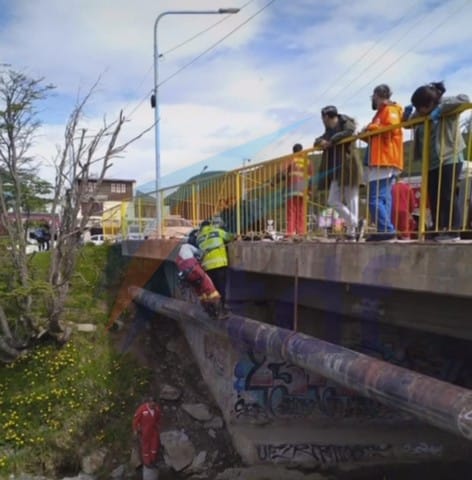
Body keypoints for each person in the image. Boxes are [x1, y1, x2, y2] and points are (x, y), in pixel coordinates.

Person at [408, 81, 469, 242]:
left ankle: (453, 231)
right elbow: (409, 122)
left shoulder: (446, 106)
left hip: (450, 158)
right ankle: (437, 229)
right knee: (434, 197)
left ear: (430, 103)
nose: (419, 111)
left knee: (447, 194)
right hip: (431, 162)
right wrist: (408, 114)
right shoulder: (422, 114)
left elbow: (465, 99)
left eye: (420, 107)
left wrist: (440, 109)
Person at [362, 84, 404, 241]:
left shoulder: (390, 110)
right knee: (383, 198)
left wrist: (370, 128)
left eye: (373, 96)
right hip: (381, 158)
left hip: (384, 159)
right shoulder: (382, 112)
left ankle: (386, 229)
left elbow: (391, 128)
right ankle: (384, 230)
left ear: (377, 95)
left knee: (374, 199)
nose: (372, 99)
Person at [314, 105, 361, 240]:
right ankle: (354, 223)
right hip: (335, 169)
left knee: (351, 198)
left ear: (327, 117)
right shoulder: (328, 131)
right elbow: (317, 141)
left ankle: (352, 232)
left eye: (323, 118)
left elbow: (349, 131)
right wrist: (321, 141)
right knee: (332, 200)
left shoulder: (346, 122)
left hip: (349, 166)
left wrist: (331, 141)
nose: (322, 121)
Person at [175, 229, 223, 318]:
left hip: (187, 276)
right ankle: (219, 311)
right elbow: (200, 253)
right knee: (210, 288)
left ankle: (209, 312)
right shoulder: (188, 246)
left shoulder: (179, 254)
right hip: (194, 270)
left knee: (201, 292)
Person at [196, 219, 233, 308]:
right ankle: (222, 308)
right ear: (210, 225)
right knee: (221, 288)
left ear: (201, 228)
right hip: (219, 264)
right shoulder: (217, 231)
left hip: (207, 267)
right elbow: (230, 237)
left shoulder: (199, 238)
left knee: (212, 290)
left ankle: (214, 310)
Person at [285, 143, 312, 237]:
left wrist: (273, 182)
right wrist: (309, 191)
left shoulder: (290, 159)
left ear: (293, 151)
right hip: (303, 191)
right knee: (301, 212)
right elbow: (310, 178)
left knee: (291, 212)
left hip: (292, 190)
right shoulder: (307, 161)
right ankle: (301, 232)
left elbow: (283, 173)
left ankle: (290, 233)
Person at [133, 397, 161, 468]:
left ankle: (153, 460)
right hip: (145, 431)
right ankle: (147, 462)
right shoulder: (142, 409)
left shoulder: (156, 409)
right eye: (151, 403)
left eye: (154, 404)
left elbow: (158, 419)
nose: (153, 405)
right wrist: (136, 429)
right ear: (149, 402)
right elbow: (136, 420)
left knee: (154, 446)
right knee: (146, 446)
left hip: (153, 431)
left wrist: (158, 426)